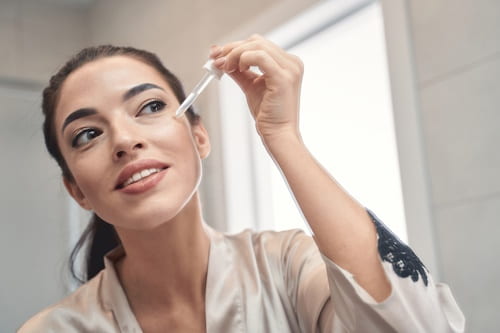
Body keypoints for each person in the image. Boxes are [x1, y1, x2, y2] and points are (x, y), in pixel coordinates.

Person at [19, 35, 464, 332]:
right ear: (76, 190)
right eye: (88, 134)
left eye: (150, 107)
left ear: (199, 136)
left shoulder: (288, 267)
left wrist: (282, 135)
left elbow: (413, 324)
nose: (125, 140)